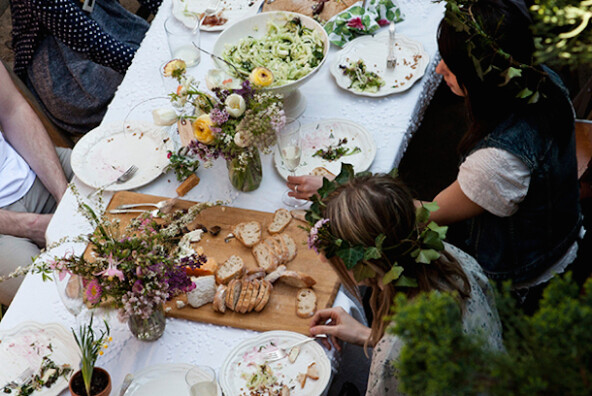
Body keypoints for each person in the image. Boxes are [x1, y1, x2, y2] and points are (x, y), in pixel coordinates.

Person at [289, 0, 583, 311]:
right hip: (559, 224)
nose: (440, 67)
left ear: (482, 82)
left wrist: (338, 192)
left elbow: (421, 215)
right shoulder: (541, 78)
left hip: (520, 269)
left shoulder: (496, 162)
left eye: (452, 66)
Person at [305, 170, 502, 395]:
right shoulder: (451, 257)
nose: (322, 258)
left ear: (365, 265)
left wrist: (387, 346)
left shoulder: (395, 353)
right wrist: (368, 336)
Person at [10, 0, 162, 135]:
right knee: (150, 90)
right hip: (67, 64)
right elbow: (91, 42)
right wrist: (149, 65)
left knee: (165, 46)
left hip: (101, 16)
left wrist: (175, 10)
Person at [0, 63, 73, 306]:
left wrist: (63, 193)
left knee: (123, 175)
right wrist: (31, 226)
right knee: (51, 296)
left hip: (30, 166)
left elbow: (13, 110)